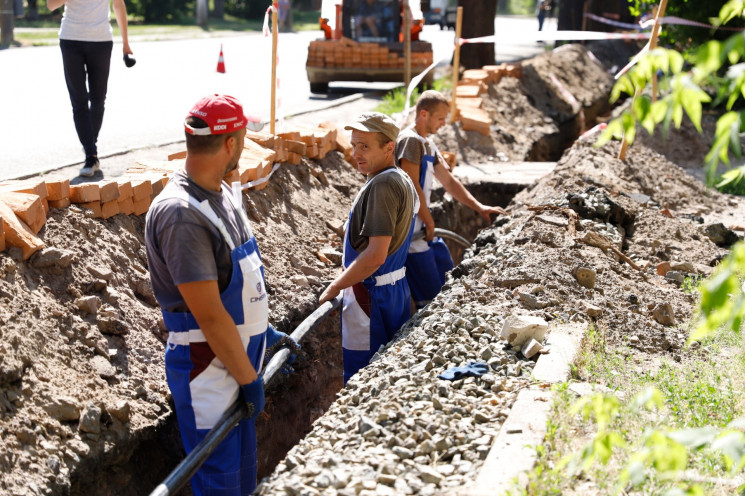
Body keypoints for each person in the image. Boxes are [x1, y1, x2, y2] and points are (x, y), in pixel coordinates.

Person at [145, 94, 298, 496]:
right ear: (231, 142)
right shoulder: (181, 214)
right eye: (244, 139)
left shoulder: (222, 195)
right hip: (207, 370)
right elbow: (210, 316)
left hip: (235, 358)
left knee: (242, 480)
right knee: (220, 484)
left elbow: (240, 289)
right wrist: (250, 380)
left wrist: (265, 334)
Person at [319, 112, 417, 384]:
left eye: (365, 146)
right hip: (392, 289)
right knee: (385, 371)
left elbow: (375, 255)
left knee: (362, 377)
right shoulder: (399, 177)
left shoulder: (384, 184)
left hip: (370, 296)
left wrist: (335, 286)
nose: (356, 154)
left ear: (389, 148)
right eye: (354, 145)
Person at [395, 90, 507, 309]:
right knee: (429, 295)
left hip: (422, 229)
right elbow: (412, 186)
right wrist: (428, 220)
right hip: (408, 231)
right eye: (440, 118)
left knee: (446, 274)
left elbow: (449, 181)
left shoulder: (427, 144)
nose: (444, 124)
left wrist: (479, 207)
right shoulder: (409, 141)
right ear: (424, 114)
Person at [47, 0, 133, 177]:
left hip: (100, 41)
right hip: (71, 40)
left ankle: (90, 148)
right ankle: (91, 155)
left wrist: (126, 43)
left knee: (98, 99)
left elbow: (118, 5)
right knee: (79, 101)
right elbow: (50, 5)